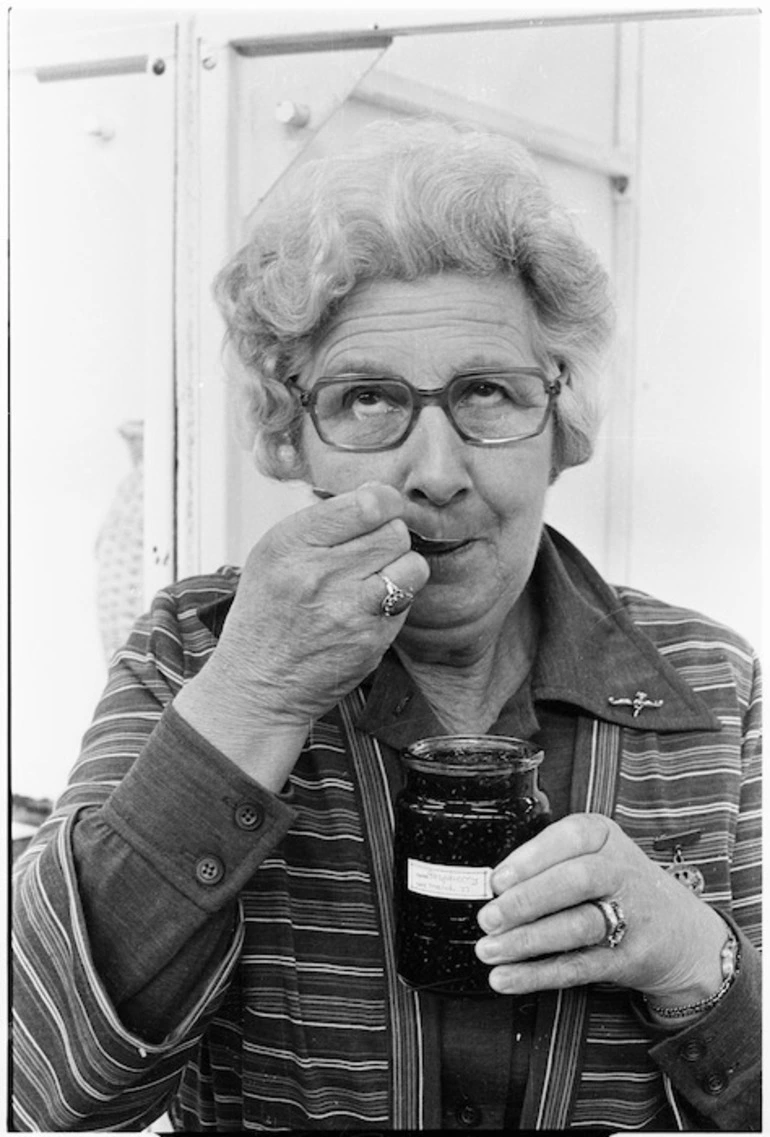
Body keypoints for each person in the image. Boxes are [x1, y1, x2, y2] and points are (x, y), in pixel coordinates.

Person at [12, 120, 760, 1132]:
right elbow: (41, 1086)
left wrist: (694, 964)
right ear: (291, 437)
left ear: (560, 426)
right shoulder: (193, 653)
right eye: (368, 399)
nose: (437, 472)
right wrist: (256, 695)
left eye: (486, 393)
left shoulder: (711, 684)